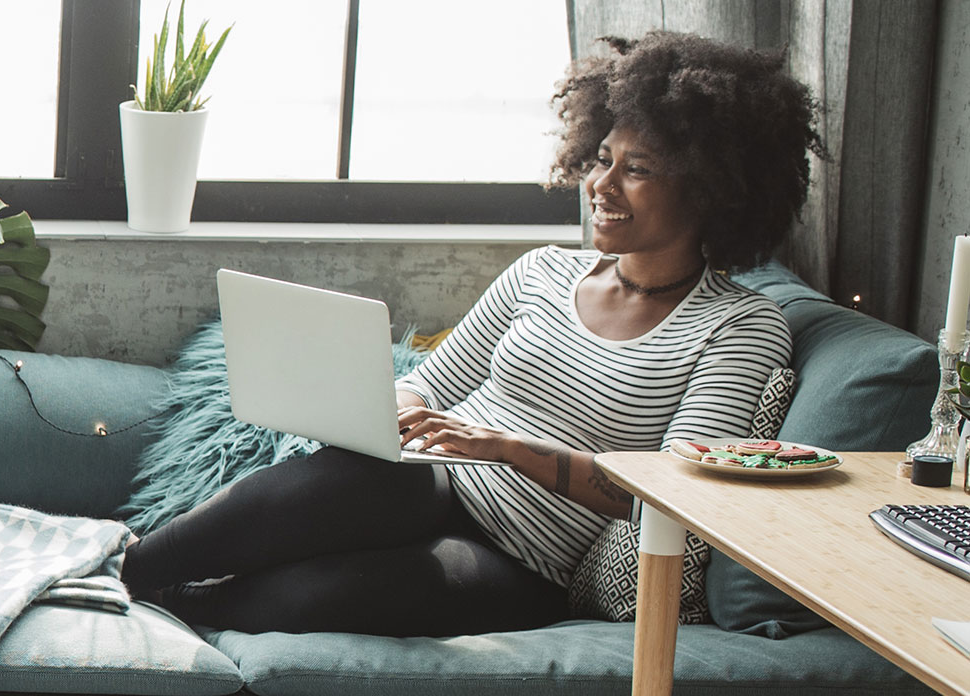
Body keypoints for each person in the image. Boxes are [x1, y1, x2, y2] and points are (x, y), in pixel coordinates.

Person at [118, 31, 826, 637]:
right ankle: (118, 571)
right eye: (602, 157)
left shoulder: (740, 328)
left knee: (327, 592)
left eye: (637, 169)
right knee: (341, 486)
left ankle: (178, 605)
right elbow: (429, 381)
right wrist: (392, 415)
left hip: (525, 560)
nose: (602, 184)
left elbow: (676, 498)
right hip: (432, 485)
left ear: (713, 187)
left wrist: (511, 451)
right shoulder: (543, 272)